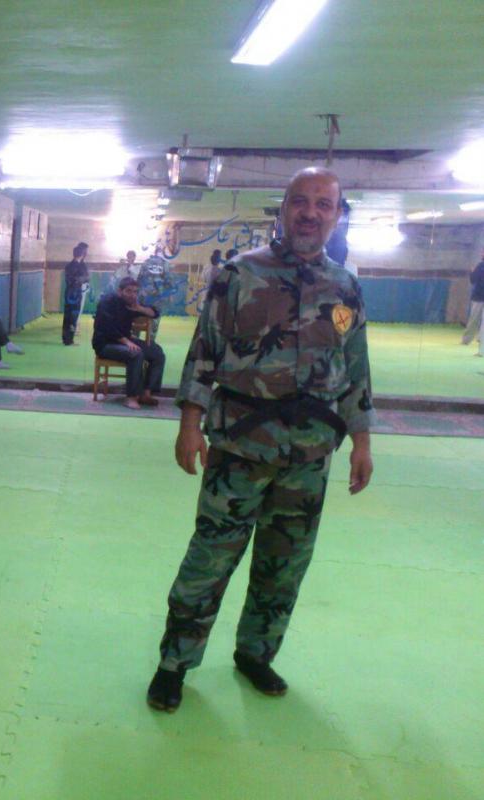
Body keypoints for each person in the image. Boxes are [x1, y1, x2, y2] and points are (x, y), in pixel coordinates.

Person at [146, 167, 376, 713]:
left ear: (336, 215)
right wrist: (189, 424)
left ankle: (256, 653)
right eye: (301, 201)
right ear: (284, 208)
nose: (310, 212)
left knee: (285, 564)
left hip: (310, 454)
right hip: (239, 449)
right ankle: (174, 663)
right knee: (209, 560)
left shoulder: (344, 287)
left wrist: (362, 440)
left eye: (323, 204)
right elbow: (204, 352)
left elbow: (355, 368)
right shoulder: (238, 275)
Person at [92, 276, 165, 409]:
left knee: (157, 352)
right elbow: (106, 327)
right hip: (105, 344)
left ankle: (146, 393)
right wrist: (126, 341)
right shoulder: (107, 301)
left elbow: (155, 313)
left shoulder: (132, 305)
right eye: (129, 291)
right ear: (120, 291)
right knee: (136, 353)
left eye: (135, 292)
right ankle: (131, 397)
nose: (133, 295)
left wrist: (140, 309)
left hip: (125, 341)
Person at [62, 242, 89, 345]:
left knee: (68, 317)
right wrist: (83, 279)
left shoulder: (70, 265)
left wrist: (83, 279)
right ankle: (69, 340)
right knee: (73, 317)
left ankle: (66, 339)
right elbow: (80, 279)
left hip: (70, 292)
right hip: (75, 294)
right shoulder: (78, 266)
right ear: (82, 254)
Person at [460, 251, 484, 351]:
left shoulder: (480, 266)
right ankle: (466, 340)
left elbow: (472, 280)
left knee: (475, 320)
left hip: (478, 296)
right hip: (479, 297)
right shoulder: (480, 266)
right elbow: (473, 280)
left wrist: (472, 272)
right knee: (474, 319)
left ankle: (479, 339)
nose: (482, 253)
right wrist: (472, 272)